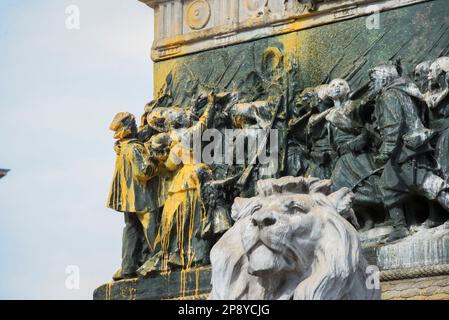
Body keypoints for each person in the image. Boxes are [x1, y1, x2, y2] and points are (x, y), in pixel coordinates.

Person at [369, 63, 449, 241]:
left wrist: (385, 152)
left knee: (424, 181)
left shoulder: (388, 95)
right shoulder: (407, 91)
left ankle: (401, 227)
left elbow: (393, 126)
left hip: (404, 148)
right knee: (389, 184)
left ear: (384, 76)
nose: (371, 83)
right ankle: (399, 227)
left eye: (373, 78)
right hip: (415, 143)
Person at [326, 79, 383, 231]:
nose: (336, 87)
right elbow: (332, 139)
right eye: (332, 85)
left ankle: (394, 215)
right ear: (328, 93)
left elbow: (365, 128)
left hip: (358, 153)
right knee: (340, 190)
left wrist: (356, 143)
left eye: (340, 84)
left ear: (347, 89)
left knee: (371, 183)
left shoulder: (353, 106)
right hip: (342, 157)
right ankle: (366, 218)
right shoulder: (329, 116)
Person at [107, 112, 158, 280]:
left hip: (128, 199)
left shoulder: (122, 147)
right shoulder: (135, 147)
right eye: (134, 124)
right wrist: (156, 162)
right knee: (151, 227)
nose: (137, 126)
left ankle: (128, 266)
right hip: (141, 197)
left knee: (131, 228)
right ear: (129, 128)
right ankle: (155, 260)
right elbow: (144, 171)